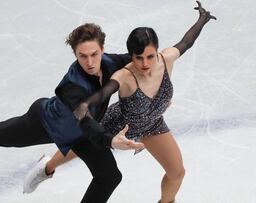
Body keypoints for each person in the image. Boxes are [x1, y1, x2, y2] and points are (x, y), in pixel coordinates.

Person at [0, 23, 145, 202]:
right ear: (74, 54)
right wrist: (109, 140)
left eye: (94, 54)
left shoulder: (110, 62)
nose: (90, 61)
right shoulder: (72, 87)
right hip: (47, 122)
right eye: (82, 56)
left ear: (102, 49)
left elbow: (146, 59)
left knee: (109, 177)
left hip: (81, 134)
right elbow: (84, 118)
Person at [23, 1, 216, 203]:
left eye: (150, 56)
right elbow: (106, 90)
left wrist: (202, 19)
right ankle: (46, 168)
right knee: (78, 147)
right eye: (138, 58)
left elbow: (186, 42)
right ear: (130, 56)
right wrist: (85, 104)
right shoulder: (124, 75)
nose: (145, 63)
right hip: (118, 124)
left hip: (153, 124)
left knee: (177, 172)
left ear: (157, 51)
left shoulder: (167, 58)